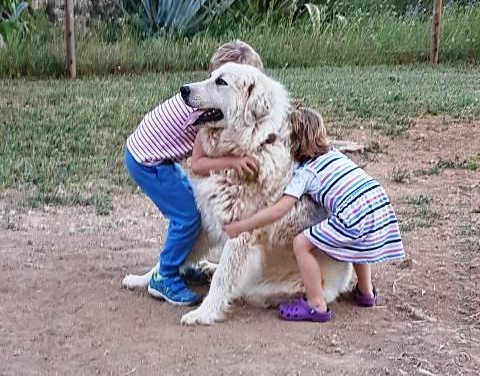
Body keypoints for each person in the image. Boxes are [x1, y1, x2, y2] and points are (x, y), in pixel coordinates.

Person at [224, 107, 405, 322]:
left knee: (302, 243)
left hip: (355, 214)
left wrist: (243, 225)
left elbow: (279, 210)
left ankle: (315, 304)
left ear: (291, 141)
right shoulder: (335, 155)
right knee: (357, 243)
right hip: (377, 202)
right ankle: (365, 292)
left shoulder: (306, 173)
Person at [124, 40, 263, 305]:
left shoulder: (207, 100)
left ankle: (181, 264)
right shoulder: (205, 113)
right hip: (146, 160)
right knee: (186, 217)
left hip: (155, 156)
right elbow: (198, 164)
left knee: (194, 213)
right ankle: (163, 277)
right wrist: (233, 162)